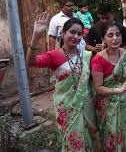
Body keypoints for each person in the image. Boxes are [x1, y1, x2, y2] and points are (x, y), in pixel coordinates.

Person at [26, 13, 100, 151]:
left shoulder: (86, 55)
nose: (76, 37)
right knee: (72, 141)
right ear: (63, 32)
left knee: (91, 140)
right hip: (66, 106)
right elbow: (31, 62)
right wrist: (36, 36)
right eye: (72, 32)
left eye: (79, 34)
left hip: (87, 104)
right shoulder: (54, 55)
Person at [90, 19, 126, 151]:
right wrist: (118, 90)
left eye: (118, 34)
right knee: (110, 137)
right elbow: (98, 89)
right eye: (110, 35)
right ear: (103, 38)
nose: (115, 38)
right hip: (107, 105)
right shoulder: (98, 60)